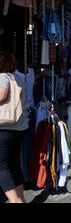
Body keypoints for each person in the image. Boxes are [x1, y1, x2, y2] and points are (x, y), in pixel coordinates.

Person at [0, 52, 29, 203]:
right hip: (18, 127)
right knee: (13, 164)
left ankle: (15, 201)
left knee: (2, 167)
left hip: (4, 128)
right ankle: (21, 199)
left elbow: (1, 95)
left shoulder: (2, 77)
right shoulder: (18, 78)